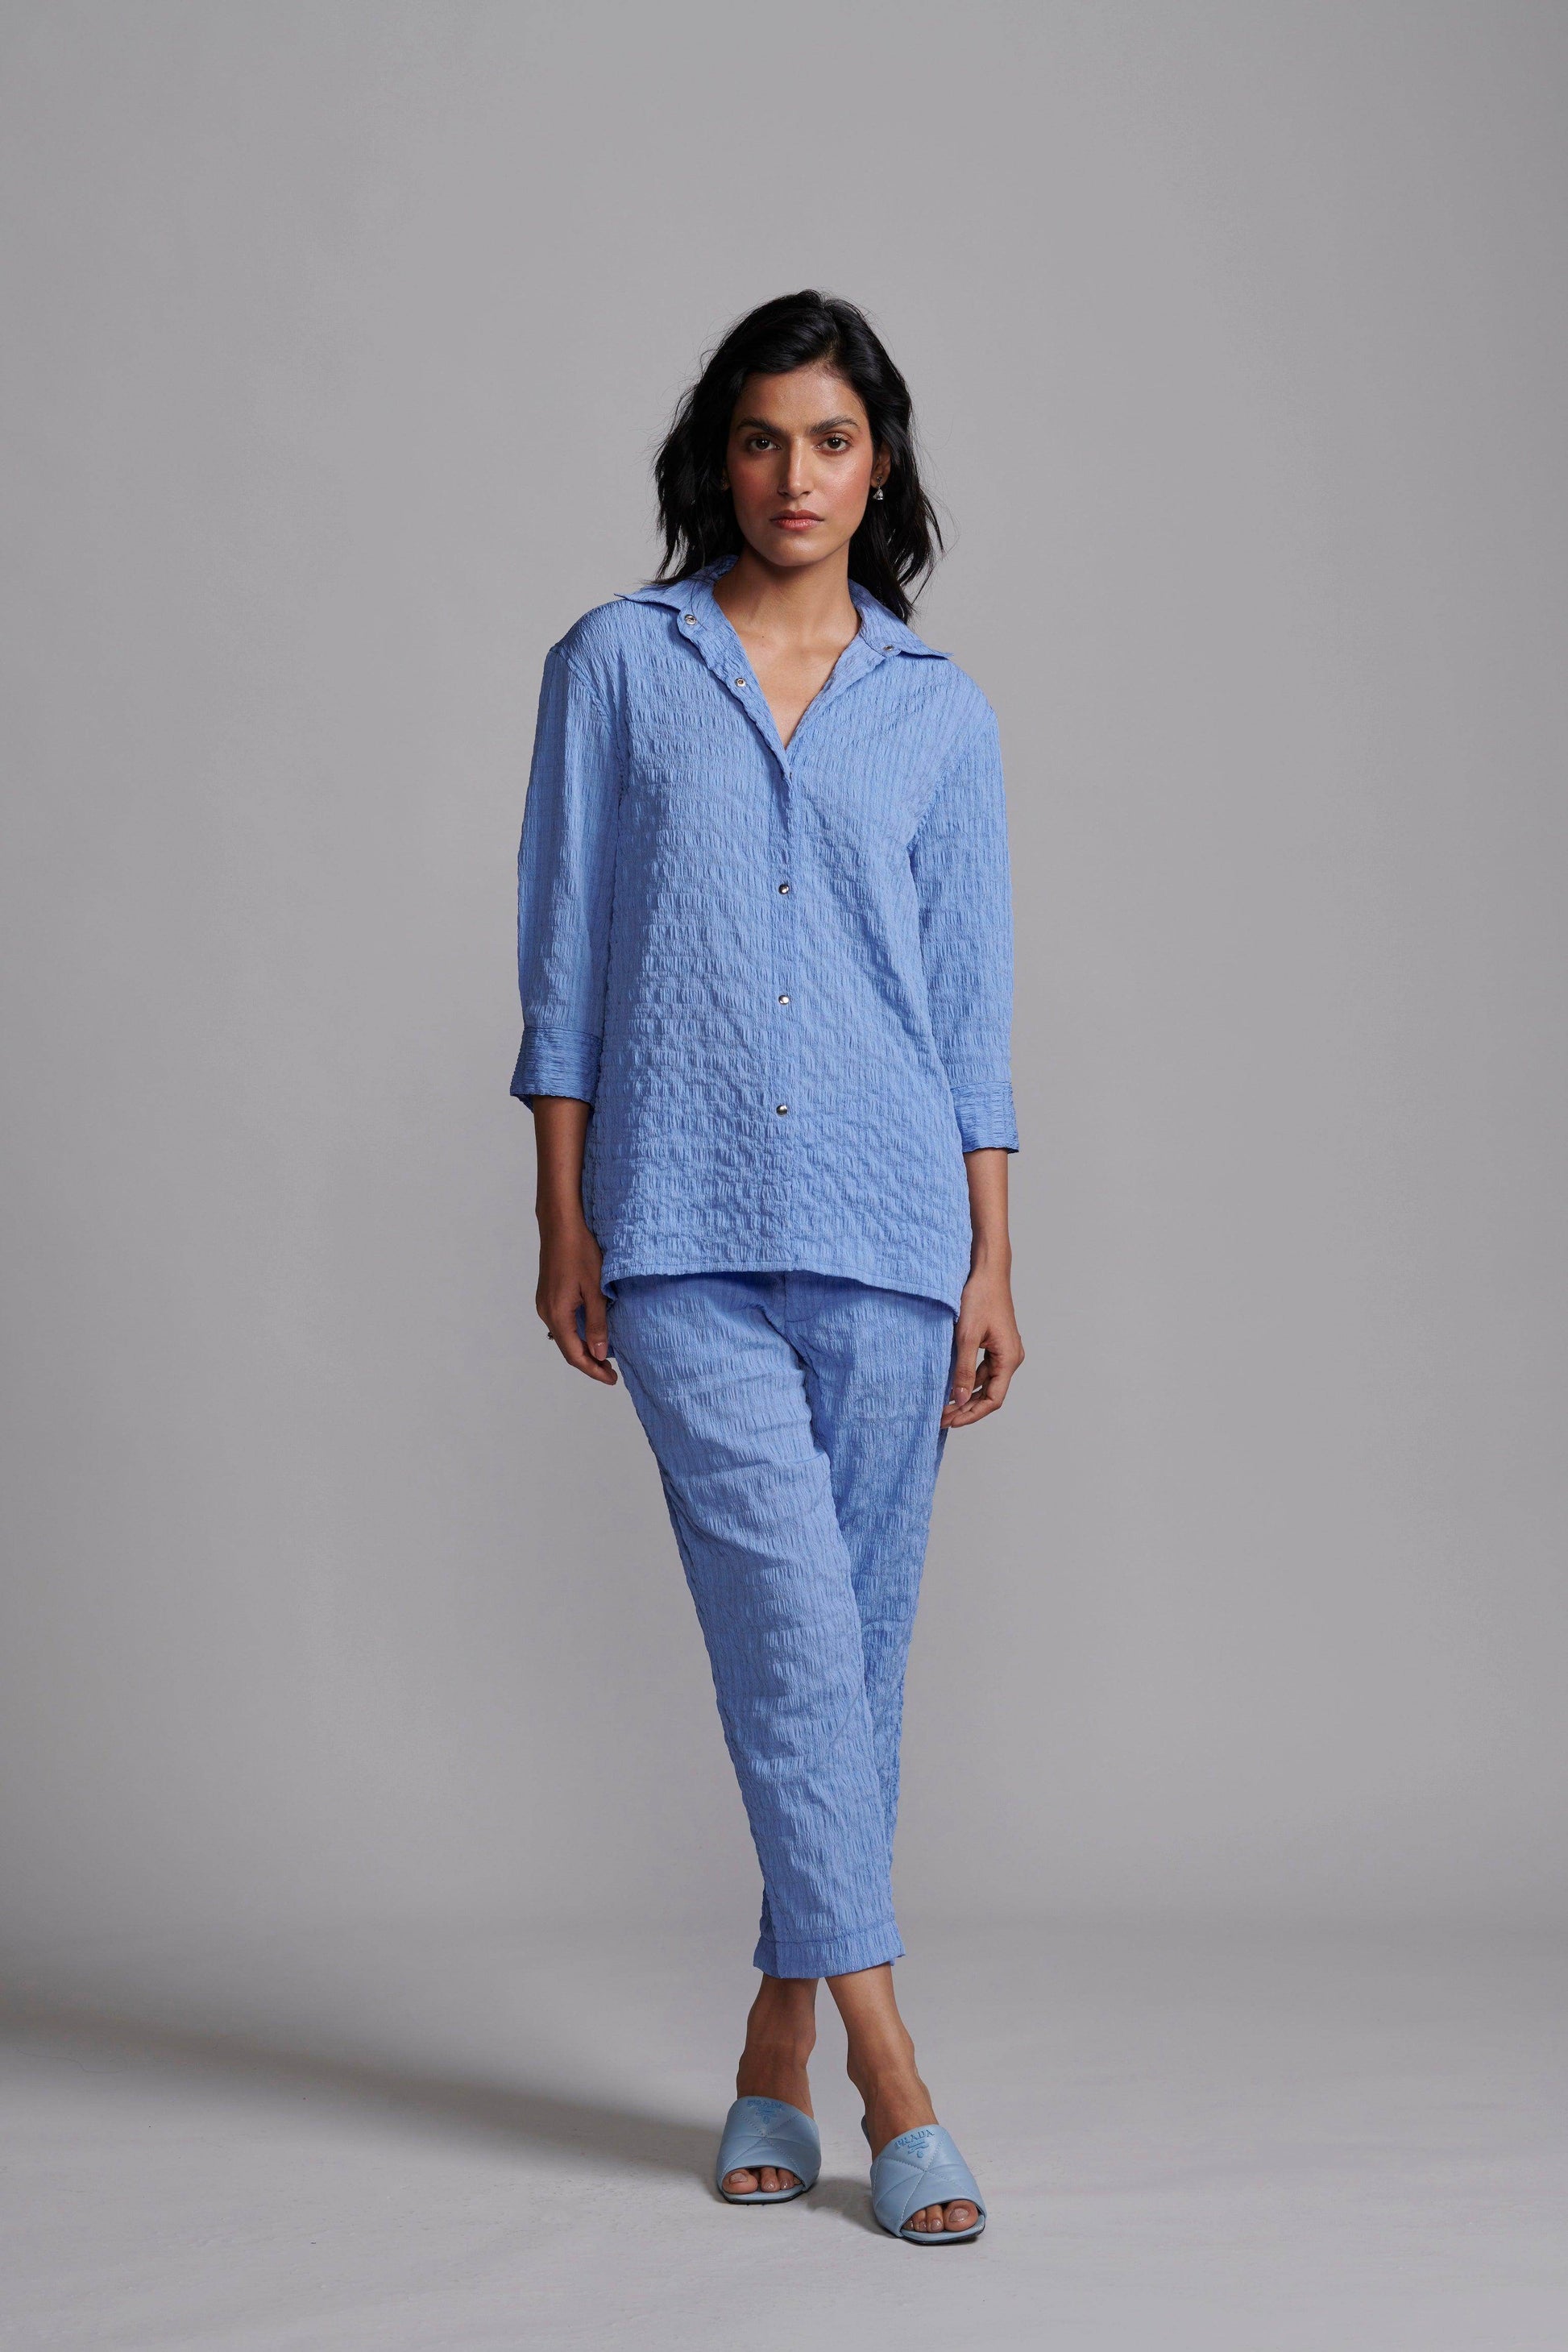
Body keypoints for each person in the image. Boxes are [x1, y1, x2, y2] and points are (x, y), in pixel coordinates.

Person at [510, 289, 1023, 2243]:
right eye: (758, 437)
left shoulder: (940, 711)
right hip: (683, 1229)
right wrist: (563, 1210)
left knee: (850, 1662)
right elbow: (567, 952)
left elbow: (969, 1009)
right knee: (795, 1638)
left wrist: (991, 1255)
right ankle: (898, 2075)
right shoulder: (617, 666)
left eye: (828, 439)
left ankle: (773, 2044)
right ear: (713, 460)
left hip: (895, 1238)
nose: (792, 475)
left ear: (877, 465)